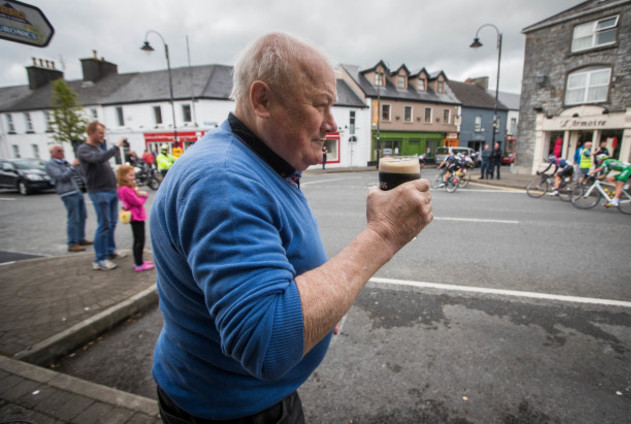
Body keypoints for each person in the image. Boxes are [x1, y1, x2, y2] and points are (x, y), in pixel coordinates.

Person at [150, 32, 433, 423]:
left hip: (245, 399)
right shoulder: (224, 179)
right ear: (262, 100)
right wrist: (383, 233)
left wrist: (319, 306)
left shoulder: (260, 160)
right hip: (233, 410)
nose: (332, 124)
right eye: (322, 105)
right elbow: (267, 343)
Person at [76, 121, 126, 271]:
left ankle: (110, 251)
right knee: (103, 225)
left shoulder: (97, 148)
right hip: (99, 192)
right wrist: (116, 147)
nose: (102, 136)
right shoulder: (84, 149)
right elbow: (99, 160)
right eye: (100, 133)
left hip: (109, 190)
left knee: (111, 223)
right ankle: (100, 259)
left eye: (103, 133)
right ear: (91, 133)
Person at [45, 144, 92, 252]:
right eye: (58, 151)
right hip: (67, 193)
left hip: (77, 191)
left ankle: (80, 238)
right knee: (73, 218)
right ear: (52, 153)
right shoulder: (50, 165)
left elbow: (78, 174)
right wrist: (73, 167)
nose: (62, 153)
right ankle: (72, 243)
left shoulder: (65, 163)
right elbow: (61, 177)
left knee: (82, 216)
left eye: (62, 151)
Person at [116, 165, 154, 272]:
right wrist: (144, 195)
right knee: (139, 240)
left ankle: (140, 260)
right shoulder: (125, 189)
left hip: (137, 215)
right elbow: (137, 202)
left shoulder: (128, 187)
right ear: (123, 176)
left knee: (139, 239)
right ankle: (139, 264)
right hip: (135, 216)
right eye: (130, 175)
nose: (133, 177)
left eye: (133, 175)